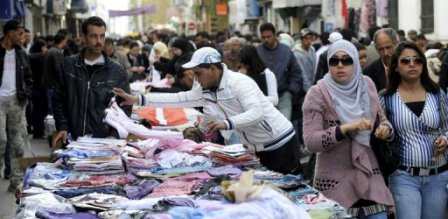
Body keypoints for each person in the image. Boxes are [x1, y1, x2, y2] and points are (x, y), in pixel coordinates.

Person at [114, 47, 302, 175]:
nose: (195, 78)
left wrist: (226, 123)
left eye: (198, 73)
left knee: (289, 192)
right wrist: (138, 99)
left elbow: (257, 113)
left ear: (213, 69)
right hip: (257, 148)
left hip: (280, 142)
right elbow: (180, 99)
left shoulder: (240, 83)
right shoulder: (205, 87)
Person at [302, 40, 394, 219]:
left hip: (369, 175)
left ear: (356, 62)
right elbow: (311, 142)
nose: (340, 65)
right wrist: (344, 129)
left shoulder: (366, 84)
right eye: (334, 61)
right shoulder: (318, 93)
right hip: (336, 181)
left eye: (347, 60)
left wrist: (385, 130)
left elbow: (383, 120)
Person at [381, 42, 448, 219]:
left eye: (417, 60)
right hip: (404, 176)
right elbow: (383, 127)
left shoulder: (437, 93)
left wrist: (446, 139)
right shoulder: (386, 98)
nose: (412, 64)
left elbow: (447, 126)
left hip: (438, 176)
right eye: (405, 61)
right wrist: (385, 131)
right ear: (395, 67)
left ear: (423, 65)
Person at [52, 16, 131, 146]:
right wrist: (62, 126)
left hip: (104, 142)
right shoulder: (68, 65)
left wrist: (114, 135)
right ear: (83, 37)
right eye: (93, 36)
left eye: (102, 36)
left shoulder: (117, 70)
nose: (99, 41)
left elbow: (125, 107)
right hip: (73, 140)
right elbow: (58, 99)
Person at [0, 20, 32, 192]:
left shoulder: (22, 54)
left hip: (16, 102)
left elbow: (29, 77)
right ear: (9, 33)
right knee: (1, 140)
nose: (23, 37)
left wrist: (25, 94)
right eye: (19, 33)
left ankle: (16, 181)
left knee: (17, 145)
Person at [256, 23, 303, 120]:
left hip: (283, 95)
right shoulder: (257, 52)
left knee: (285, 125)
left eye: (269, 37)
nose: (266, 40)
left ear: (275, 36)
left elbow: (296, 72)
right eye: (263, 37)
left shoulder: (286, 51)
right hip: (264, 98)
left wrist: (291, 90)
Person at [29, 38, 48, 139]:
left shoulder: (31, 57)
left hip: (34, 87)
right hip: (40, 87)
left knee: (36, 110)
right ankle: (40, 131)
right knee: (40, 110)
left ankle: (37, 131)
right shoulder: (41, 58)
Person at [293, 28, 316, 92]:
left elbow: (314, 67)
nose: (309, 41)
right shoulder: (296, 53)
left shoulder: (312, 50)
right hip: (302, 87)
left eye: (310, 38)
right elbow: (302, 72)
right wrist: (308, 89)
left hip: (312, 83)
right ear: (301, 39)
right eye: (306, 38)